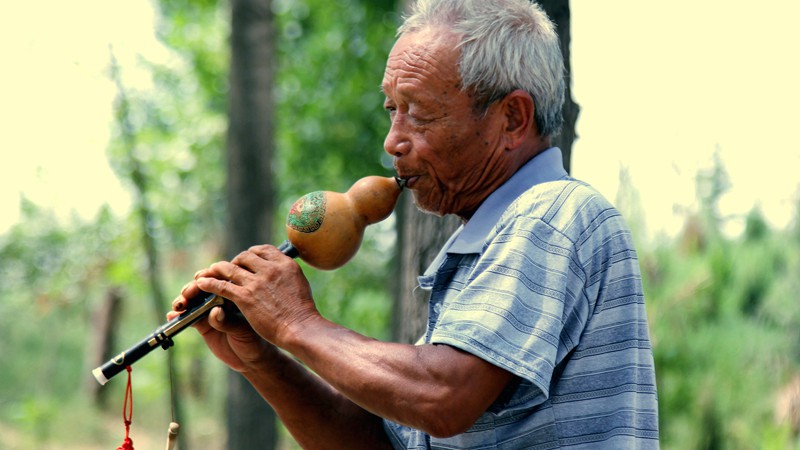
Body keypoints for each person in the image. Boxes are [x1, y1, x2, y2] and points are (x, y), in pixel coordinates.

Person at [171, 0, 659, 448]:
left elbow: (444, 397)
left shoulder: (553, 214)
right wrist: (263, 358)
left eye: (419, 114)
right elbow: (387, 443)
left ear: (511, 118)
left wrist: (296, 322)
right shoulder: (491, 238)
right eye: (392, 110)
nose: (392, 142)